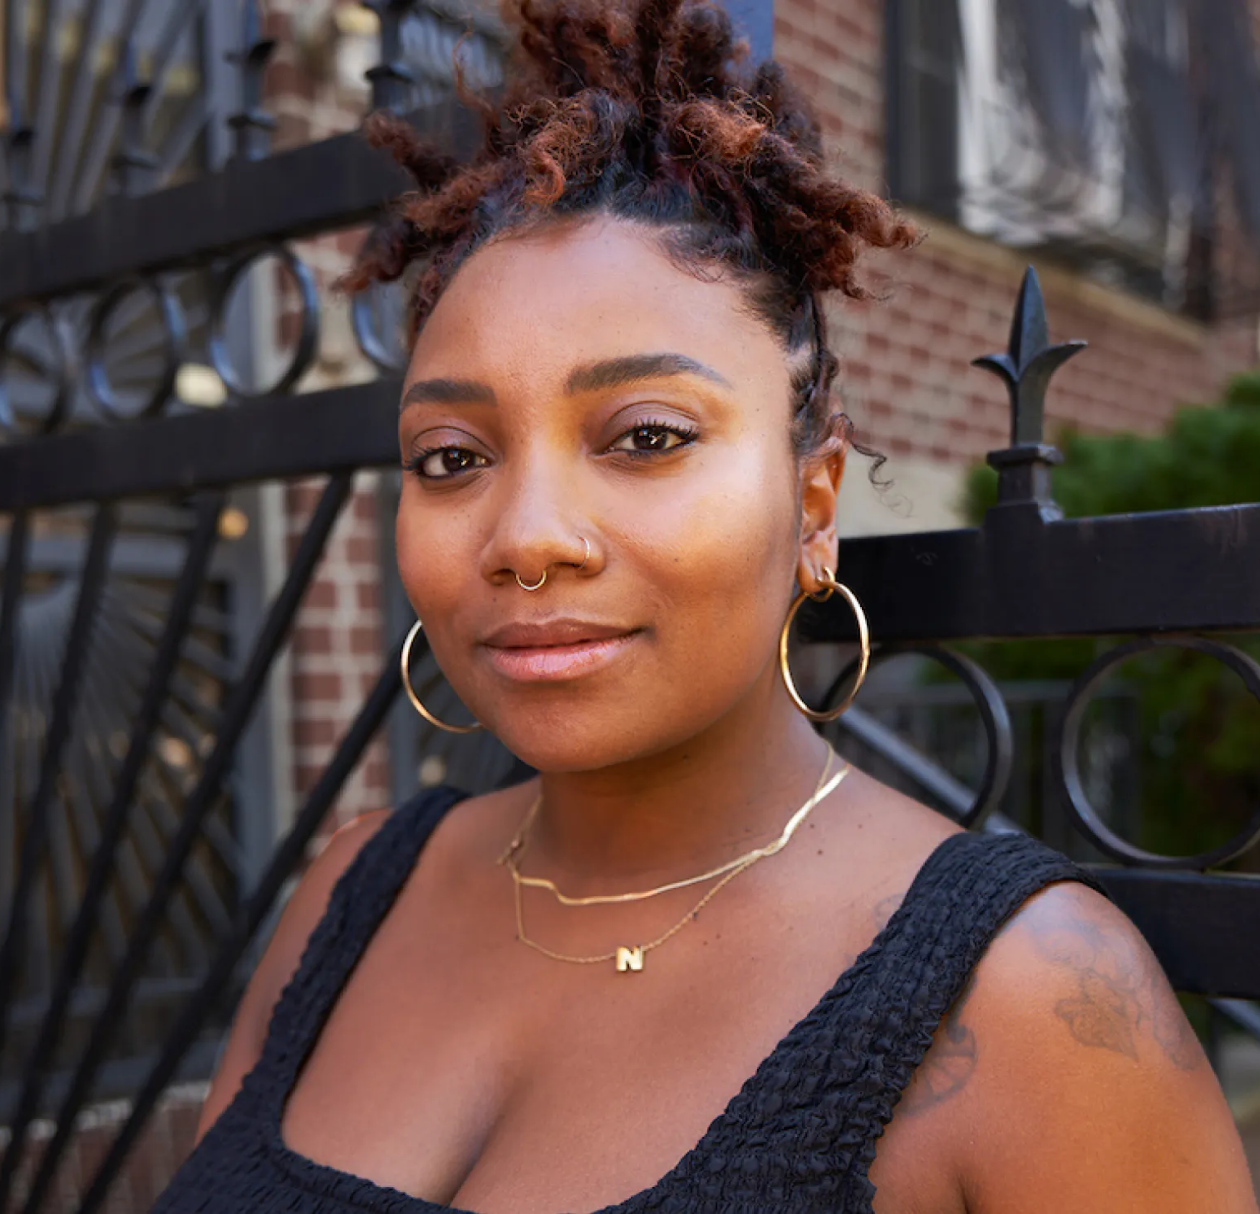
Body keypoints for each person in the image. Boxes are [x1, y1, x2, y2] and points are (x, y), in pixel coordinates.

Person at [154, 1, 1258, 1211]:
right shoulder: (355, 888)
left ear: (814, 497)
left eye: (645, 436)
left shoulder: (1033, 1000)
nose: (525, 537)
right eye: (453, 456)